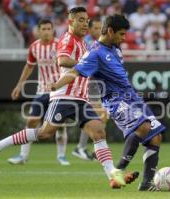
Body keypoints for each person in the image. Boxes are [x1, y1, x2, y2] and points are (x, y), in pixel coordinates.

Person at [0, 7, 137, 189]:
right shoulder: (67, 39)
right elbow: (61, 60)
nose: (85, 23)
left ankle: (113, 176)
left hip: (81, 98)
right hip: (64, 96)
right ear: (70, 22)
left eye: (87, 20)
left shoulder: (85, 44)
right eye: (80, 20)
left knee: (99, 132)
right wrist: (88, 63)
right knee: (45, 133)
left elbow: (88, 68)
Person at [50, 14, 165, 191]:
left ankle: (146, 185)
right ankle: (117, 173)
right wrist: (57, 84)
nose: (124, 38)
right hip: (116, 100)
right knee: (144, 127)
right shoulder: (95, 53)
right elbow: (75, 71)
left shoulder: (116, 49)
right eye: (121, 34)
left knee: (156, 137)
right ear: (110, 31)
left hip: (132, 97)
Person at [7, 19, 70, 166]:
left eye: (49, 28)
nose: (47, 31)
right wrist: (19, 86)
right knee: (31, 121)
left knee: (60, 124)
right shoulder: (34, 47)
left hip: (59, 91)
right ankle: (23, 156)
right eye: (44, 29)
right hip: (41, 90)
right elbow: (29, 67)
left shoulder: (60, 45)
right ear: (39, 31)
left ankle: (61, 156)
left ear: (53, 30)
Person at [72, 17, 103, 161]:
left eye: (100, 28)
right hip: (88, 83)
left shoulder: (100, 43)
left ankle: (91, 149)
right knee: (95, 115)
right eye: (96, 28)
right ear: (90, 29)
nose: (98, 30)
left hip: (98, 83)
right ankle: (81, 147)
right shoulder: (87, 43)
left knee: (102, 117)